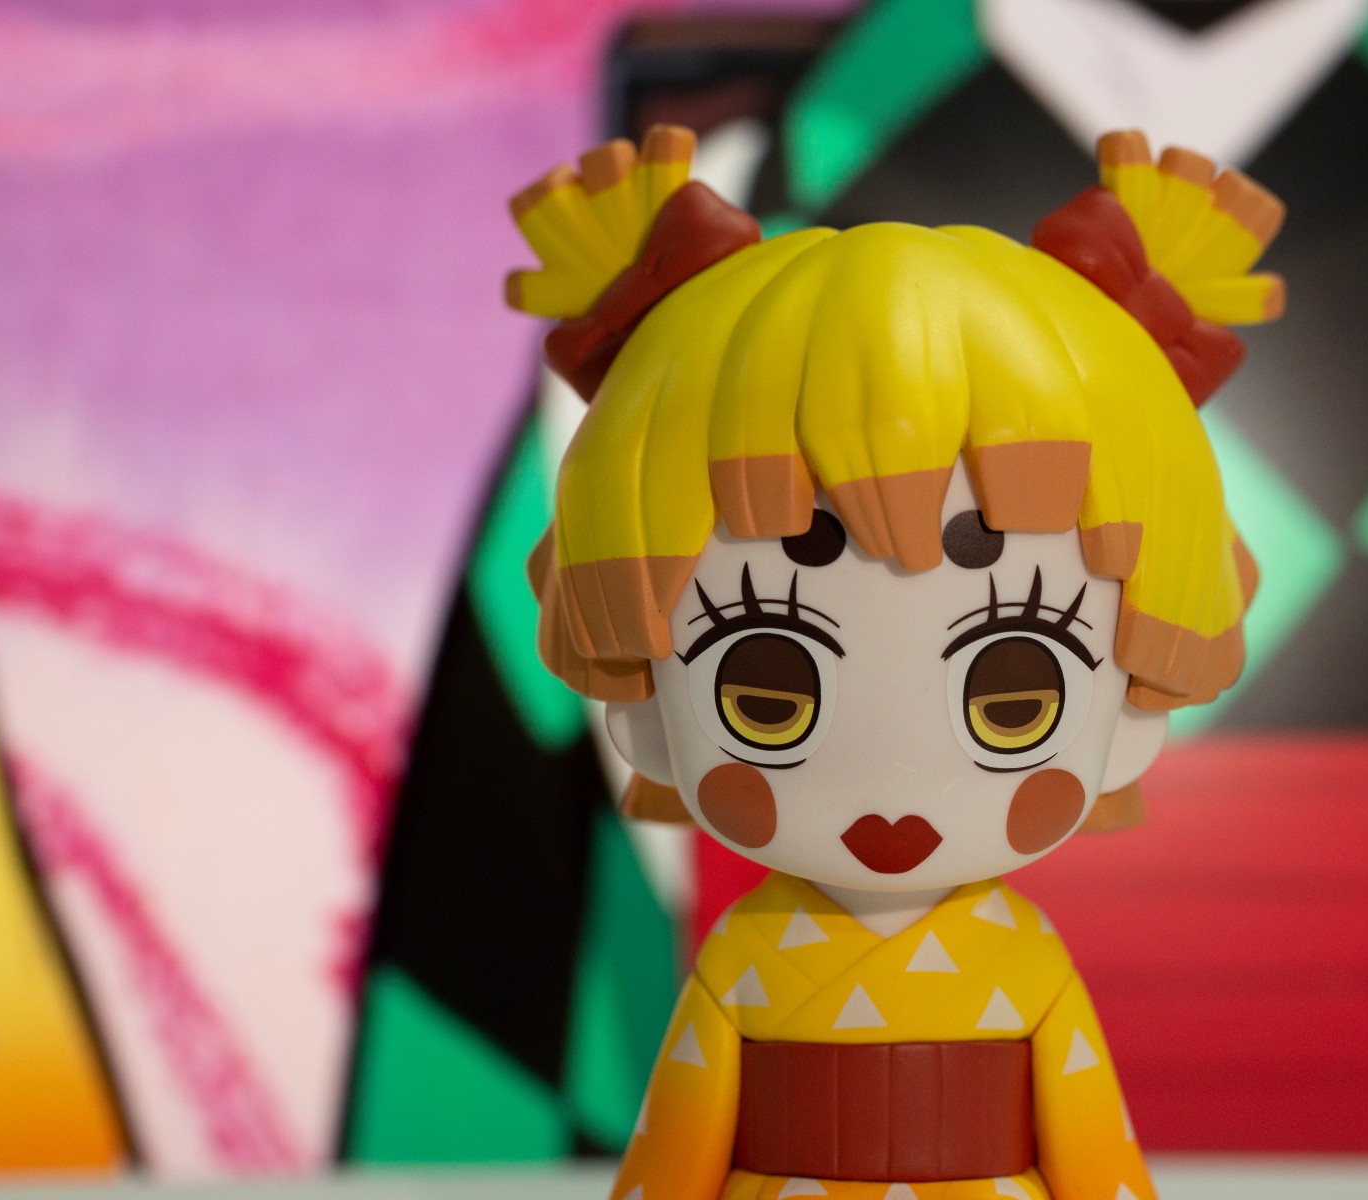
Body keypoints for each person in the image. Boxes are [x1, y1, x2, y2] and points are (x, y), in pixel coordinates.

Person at [507, 123, 1283, 1200]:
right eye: (764, 692)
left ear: (1131, 719)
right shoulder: (746, 961)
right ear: (645, 709)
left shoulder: (1021, 961)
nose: (890, 795)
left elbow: (1093, 1153)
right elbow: (677, 1155)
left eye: (1015, 696)